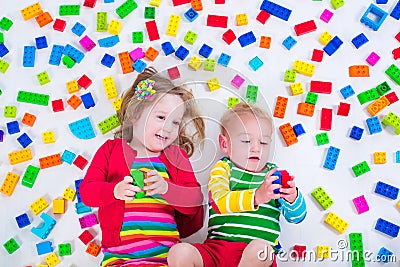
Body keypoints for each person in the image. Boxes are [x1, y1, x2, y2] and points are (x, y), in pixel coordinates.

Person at [80, 67, 206, 267]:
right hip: (119, 259)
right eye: (161, 117)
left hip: (167, 257)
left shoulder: (175, 155)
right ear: (135, 114)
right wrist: (115, 190)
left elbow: (194, 201)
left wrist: (167, 189)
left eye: (175, 122)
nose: (168, 127)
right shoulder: (111, 150)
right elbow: (87, 193)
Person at [168, 102, 307, 267]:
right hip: (216, 251)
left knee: (263, 250)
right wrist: (256, 196)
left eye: (263, 143)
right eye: (247, 141)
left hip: (255, 257)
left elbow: (297, 217)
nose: (256, 148)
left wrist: (293, 198)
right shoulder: (223, 169)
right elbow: (220, 202)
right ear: (225, 144)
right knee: (179, 252)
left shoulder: (272, 175)